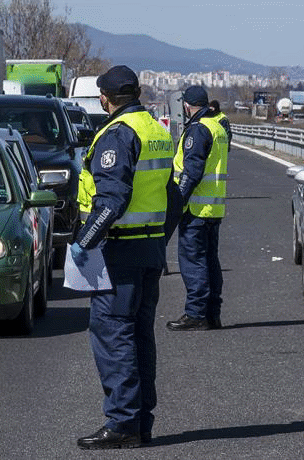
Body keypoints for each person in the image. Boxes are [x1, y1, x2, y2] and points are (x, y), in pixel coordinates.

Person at [71, 65, 174, 449]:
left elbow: (112, 200)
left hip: (120, 251)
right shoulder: (157, 131)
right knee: (139, 337)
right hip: (149, 249)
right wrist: (161, 238)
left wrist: (85, 242)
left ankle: (122, 424)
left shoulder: (117, 135)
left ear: (105, 98)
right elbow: (174, 194)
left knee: (114, 336)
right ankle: (140, 421)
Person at [166, 86, 228, 331]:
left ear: (186, 106)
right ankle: (212, 313)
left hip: (196, 209)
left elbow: (191, 172)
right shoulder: (217, 126)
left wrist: (177, 203)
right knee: (210, 261)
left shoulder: (197, 129)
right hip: (213, 208)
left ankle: (195, 314)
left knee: (193, 262)